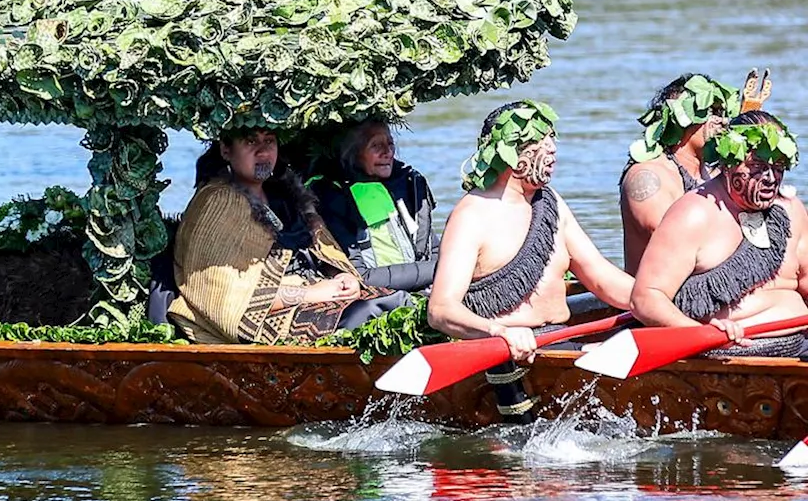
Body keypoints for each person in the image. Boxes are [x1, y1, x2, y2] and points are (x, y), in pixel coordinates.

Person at [427, 100, 633, 360]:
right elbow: (440, 309)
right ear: (511, 153)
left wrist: (656, 301)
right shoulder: (471, 217)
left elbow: (600, 276)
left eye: (552, 140)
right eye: (542, 142)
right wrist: (498, 331)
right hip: (505, 352)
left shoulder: (550, 202)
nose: (553, 150)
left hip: (561, 341)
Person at [167, 128, 411, 344]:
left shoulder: (288, 195)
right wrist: (309, 294)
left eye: (270, 141)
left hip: (320, 291)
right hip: (269, 313)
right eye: (251, 142)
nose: (263, 151)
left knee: (400, 303)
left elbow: (326, 252)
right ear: (226, 150)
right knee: (368, 312)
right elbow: (218, 294)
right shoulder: (218, 202)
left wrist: (342, 275)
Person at [630, 111, 808, 356]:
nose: (769, 178)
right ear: (727, 164)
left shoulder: (791, 210)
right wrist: (700, 335)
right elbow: (646, 299)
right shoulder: (694, 214)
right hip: (724, 352)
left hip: (798, 345)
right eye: (756, 166)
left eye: (777, 167)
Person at [620, 74, 738, 275]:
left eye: (723, 112)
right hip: (659, 298)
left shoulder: (716, 174)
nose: (724, 121)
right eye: (713, 112)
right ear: (681, 117)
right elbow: (674, 243)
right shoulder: (647, 176)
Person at [310, 119, 439, 295]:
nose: (388, 152)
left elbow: (433, 249)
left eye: (390, 144)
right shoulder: (333, 198)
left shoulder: (407, 186)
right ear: (354, 154)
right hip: (376, 296)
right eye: (376, 145)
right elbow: (360, 275)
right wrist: (439, 270)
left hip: (424, 282)